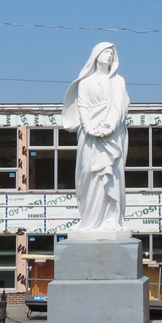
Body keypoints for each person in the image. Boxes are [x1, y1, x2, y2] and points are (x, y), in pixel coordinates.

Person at [62, 42, 130, 234]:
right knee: (89, 175)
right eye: (106, 52)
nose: (109, 56)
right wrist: (90, 127)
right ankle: (89, 219)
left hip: (112, 136)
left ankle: (111, 219)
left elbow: (119, 107)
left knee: (111, 176)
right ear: (96, 55)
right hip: (89, 135)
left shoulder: (118, 81)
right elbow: (82, 106)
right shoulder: (85, 82)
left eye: (112, 53)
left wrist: (108, 126)